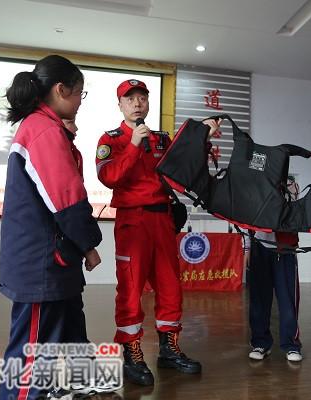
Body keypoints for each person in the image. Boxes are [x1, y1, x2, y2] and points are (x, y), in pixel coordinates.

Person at [95, 79, 220, 386]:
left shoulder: (162, 139)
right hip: (132, 222)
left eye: (142, 98)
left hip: (162, 219)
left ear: (148, 103)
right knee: (131, 288)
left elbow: (185, 169)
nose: (137, 103)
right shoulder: (112, 139)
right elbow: (109, 177)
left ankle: (169, 349)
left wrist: (203, 138)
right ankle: (132, 352)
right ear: (120, 105)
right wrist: (134, 146)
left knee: (169, 285)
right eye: (130, 99)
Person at [0, 55, 104, 400]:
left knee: (70, 321)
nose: (79, 103)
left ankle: (79, 379)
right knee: (33, 351)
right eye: (80, 94)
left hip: (54, 258)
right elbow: (66, 198)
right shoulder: (43, 130)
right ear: (61, 90)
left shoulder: (46, 127)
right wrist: (90, 244)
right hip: (41, 263)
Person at [247, 175, 302, 362]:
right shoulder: (256, 185)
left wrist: (287, 190)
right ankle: (260, 343)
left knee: (287, 300)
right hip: (259, 247)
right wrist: (246, 247)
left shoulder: (290, 184)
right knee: (259, 300)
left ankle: (292, 344)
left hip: (284, 249)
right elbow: (245, 218)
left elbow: (294, 214)